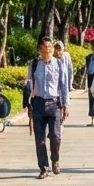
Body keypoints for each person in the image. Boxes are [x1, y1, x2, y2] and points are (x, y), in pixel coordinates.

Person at [29, 37, 71, 178]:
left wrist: (66, 105)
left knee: (55, 136)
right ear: (40, 49)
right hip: (38, 104)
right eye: (46, 46)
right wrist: (28, 104)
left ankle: (55, 160)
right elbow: (29, 84)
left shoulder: (59, 64)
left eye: (51, 46)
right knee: (39, 139)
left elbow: (64, 86)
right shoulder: (34, 64)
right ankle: (44, 167)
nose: (49, 49)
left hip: (55, 104)